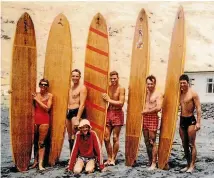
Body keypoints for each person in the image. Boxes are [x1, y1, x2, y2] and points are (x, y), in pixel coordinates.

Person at [179, 74, 201, 173]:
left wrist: (198, 122)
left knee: (192, 144)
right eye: (181, 83)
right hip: (182, 120)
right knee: (184, 144)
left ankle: (192, 165)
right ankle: (187, 164)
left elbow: (199, 108)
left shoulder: (193, 93)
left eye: (184, 82)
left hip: (191, 120)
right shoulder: (180, 93)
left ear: (188, 83)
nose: (182, 84)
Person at [102, 71, 125, 166]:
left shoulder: (121, 88)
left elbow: (121, 103)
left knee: (115, 138)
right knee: (106, 138)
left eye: (114, 78)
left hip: (118, 113)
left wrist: (109, 100)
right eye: (111, 78)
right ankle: (109, 157)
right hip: (109, 112)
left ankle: (113, 159)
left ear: (118, 78)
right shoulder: (108, 87)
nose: (113, 80)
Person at [30, 78, 53, 171]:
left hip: (44, 121)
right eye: (41, 84)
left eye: (45, 85)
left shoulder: (50, 95)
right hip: (35, 120)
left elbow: (47, 108)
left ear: (47, 87)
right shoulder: (36, 94)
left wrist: (37, 99)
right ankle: (35, 161)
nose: (43, 86)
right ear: (39, 85)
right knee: (35, 141)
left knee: (41, 142)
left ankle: (40, 164)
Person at [141, 75, 163, 170]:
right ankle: (150, 160)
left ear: (155, 83)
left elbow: (158, 108)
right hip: (145, 118)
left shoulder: (158, 94)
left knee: (152, 141)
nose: (149, 85)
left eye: (151, 84)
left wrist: (147, 111)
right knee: (146, 141)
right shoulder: (145, 93)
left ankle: (154, 162)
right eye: (148, 84)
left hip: (153, 117)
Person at [66, 69, 87, 153]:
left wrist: (78, 119)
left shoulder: (82, 88)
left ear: (80, 77)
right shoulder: (70, 88)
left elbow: (82, 104)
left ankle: (78, 157)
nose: (75, 78)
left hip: (76, 112)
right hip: (69, 112)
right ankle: (72, 157)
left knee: (75, 136)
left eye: (77, 76)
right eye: (73, 76)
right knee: (69, 136)